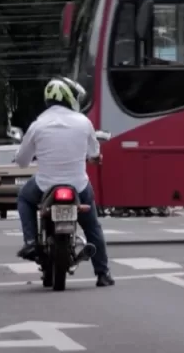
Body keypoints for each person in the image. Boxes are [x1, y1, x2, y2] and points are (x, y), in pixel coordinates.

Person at [14, 76, 114, 287]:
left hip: (44, 186)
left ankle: (31, 241)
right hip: (78, 185)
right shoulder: (84, 122)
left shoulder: (37, 125)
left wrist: (30, 155)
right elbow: (94, 152)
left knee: (24, 198)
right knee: (92, 225)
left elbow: (22, 162)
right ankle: (103, 274)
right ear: (69, 97)